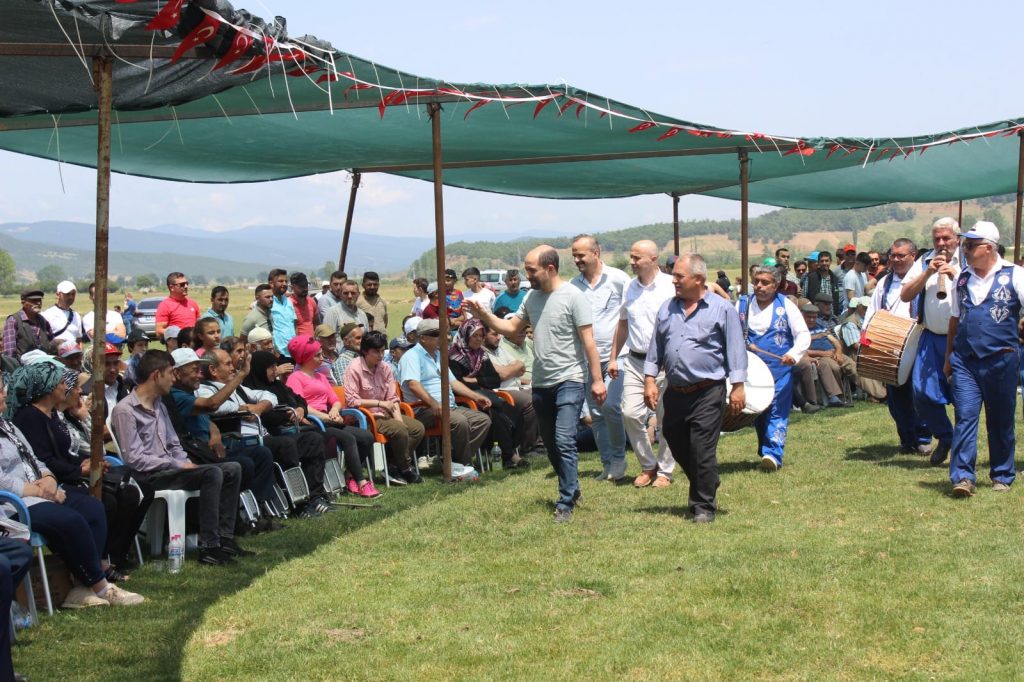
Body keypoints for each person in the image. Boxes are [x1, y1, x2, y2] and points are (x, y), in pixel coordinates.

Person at [465, 245, 606, 523]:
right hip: (542, 383)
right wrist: (482, 314)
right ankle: (573, 487)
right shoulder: (532, 297)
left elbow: (589, 342)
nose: (527, 275)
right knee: (553, 444)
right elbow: (511, 329)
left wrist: (598, 380)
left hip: (570, 379)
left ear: (550, 268)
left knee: (565, 440)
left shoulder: (573, 297)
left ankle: (565, 501)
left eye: (531, 270)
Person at [2, 362, 144, 606]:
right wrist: (40, 489)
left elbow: (35, 458)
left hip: (42, 489)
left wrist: (48, 478)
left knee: (92, 507)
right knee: (71, 519)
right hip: (13, 503)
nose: (5, 393)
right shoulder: (25, 417)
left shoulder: (8, 426)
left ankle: (80, 586)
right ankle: (100, 586)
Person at [111, 350, 248, 566]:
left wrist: (184, 461)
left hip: (170, 469)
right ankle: (210, 547)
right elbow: (135, 459)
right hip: (150, 475)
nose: (173, 378)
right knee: (211, 472)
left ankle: (224, 538)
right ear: (156, 375)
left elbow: (174, 443)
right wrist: (178, 463)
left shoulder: (160, 406)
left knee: (232, 468)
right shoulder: (125, 410)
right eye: (170, 373)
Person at [644, 252, 746, 523]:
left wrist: (738, 386)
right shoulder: (667, 307)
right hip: (675, 390)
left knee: (702, 448)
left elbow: (736, 349)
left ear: (699, 279)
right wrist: (649, 379)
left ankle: (703, 506)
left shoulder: (722, 309)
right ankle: (708, 479)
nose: (674, 281)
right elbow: (656, 347)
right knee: (676, 442)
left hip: (708, 390)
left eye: (679, 276)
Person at [37, 369, 151, 578]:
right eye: (77, 389)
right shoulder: (57, 418)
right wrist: (83, 465)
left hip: (85, 467)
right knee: (110, 500)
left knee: (138, 491)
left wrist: (84, 418)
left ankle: (116, 556)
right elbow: (92, 447)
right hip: (71, 476)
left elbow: (92, 446)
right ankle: (104, 559)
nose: (81, 394)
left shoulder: (64, 417)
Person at [943, 221, 1024, 497]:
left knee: (1000, 419)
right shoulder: (962, 278)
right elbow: (955, 318)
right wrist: (948, 357)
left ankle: (1002, 474)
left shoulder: (1015, 275)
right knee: (965, 417)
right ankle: (963, 477)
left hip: (1002, 359)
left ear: (988, 248)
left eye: (970, 245)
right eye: (964, 244)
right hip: (965, 360)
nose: (964, 249)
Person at [199, 348, 330, 518]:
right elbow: (217, 407)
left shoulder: (238, 388)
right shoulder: (205, 390)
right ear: (213, 370)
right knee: (285, 445)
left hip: (263, 436)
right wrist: (244, 408)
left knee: (312, 439)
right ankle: (297, 503)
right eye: (228, 364)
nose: (233, 368)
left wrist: (259, 407)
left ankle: (315, 495)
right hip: (242, 440)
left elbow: (269, 395)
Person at [167, 348, 277, 514]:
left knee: (261, 454)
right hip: (195, 455)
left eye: (200, 370)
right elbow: (211, 405)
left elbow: (206, 417)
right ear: (176, 373)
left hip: (211, 449)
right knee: (243, 464)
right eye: (194, 370)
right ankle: (235, 517)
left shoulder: (190, 393)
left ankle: (259, 510)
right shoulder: (176, 396)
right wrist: (241, 375)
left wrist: (215, 434)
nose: (200, 375)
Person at [607, 239, 677, 488]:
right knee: (630, 413)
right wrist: (614, 357)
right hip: (636, 361)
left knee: (666, 417)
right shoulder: (629, 287)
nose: (632, 262)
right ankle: (648, 465)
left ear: (653, 259)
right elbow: (623, 323)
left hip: (666, 363)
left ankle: (665, 471)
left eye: (637, 258)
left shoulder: (671, 286)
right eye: (631, 257)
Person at [285, 335, 380, 497]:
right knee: (348, 438)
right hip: (314, 424)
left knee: (366, 436)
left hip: (330, 420)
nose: (322, 357)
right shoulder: (295, 378)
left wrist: (335, 410)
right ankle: (361, 482)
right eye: (317, 355)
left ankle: (350, 475)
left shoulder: (321, 376)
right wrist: (325, 416)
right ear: (306, 358)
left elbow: (334, 399)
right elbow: (302, 406)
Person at [900, 217, 961, 466]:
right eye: (937, 238)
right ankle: (946, 436)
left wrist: (956, 275)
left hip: (962, 340)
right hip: (930, 337)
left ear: (958, 238)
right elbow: (905, 295)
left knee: (963, 397)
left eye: (946, 238)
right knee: (922, 395)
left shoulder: (968, 260)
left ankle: (963, 452)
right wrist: (927, 272)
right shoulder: (924, 261)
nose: (941, 243)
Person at [570, 234, 630, 482]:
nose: (576, 259)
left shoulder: (618, 279)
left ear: (596, 253)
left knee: (611, 406)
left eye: (580, 254)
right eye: (574, 254)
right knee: (596, 413)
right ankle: (607, 464)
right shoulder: (573, 286)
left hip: (618, 355)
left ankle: (619, 458)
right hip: (587, 359)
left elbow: (629, 315)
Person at [864, 239, 933, 455]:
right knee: (896, 398)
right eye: (893, 255)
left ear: (913, 256)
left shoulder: (924, 278)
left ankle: (923, 437)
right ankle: (906, 438)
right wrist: (866, 336)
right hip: (891, 344)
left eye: (901, 255)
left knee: (918, 393)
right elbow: (872, 312)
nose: (896, 259)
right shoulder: (884, 283)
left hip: (918, 342)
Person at [399, 318, 493, 472]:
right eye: (437, 334)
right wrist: (433, 403)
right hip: (423, 409)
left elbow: (454, 383)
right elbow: (413, 385)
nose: (444, 337)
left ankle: (454, 461)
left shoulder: (439, 356)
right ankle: (461, 466)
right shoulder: (411, 356)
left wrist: (476, 397)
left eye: (444, 333)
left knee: (482, 420)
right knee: (460, 421)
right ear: (423, 338)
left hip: (448, 406)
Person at [739, 266, 809, 471]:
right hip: (751, 372)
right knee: (758, 412)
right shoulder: (742, 305)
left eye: (765, 282)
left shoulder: (786, 306)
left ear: (776, 284)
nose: (759, 286)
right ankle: (765, 449)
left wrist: (794, 354)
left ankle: (773, 453)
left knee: (777, 410)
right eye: (756, 281)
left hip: (779, 370)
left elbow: (803, 335)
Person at [343, 330, 425, 483]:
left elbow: (393, 399)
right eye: (376, 351)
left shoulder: (385, 368)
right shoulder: (354, 368)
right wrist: (379, 404)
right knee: (399, 430)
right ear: (365, 351)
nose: (380, 355)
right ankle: (405, 468)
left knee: (417, 428)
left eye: (382, 351)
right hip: (365, 417)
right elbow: (352, 400)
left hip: (386, 414)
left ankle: (394, 465)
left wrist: (399, 418)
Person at [448, 319, 528, 470]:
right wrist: (479, 384)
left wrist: (474, 379)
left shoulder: (481, 355)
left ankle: (508, 453)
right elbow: (457, 383)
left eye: (481, 336)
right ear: (465, 335)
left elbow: (494, 380)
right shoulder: (453, 356)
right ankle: (509, 456)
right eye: (475, 336)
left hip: (487, 395)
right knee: (496, 415)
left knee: (516, 412)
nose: (479, 339)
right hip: (465, 399)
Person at [481, 324, 541, 456]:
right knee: (531, 401)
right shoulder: (482, 353)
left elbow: (521, 366)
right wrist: (511, 370)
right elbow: (501, 375)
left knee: (542, 394)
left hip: (517, 385)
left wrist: (509, 370)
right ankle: (528, 447)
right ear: (484, 336)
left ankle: (541, 443)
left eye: (499, 334)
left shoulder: (499, 350)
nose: (498, 338)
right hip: (500, 390)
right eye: (494, 334)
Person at [794, 303, 852, 410]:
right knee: (830, 366)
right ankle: (835, 397)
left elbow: (835, 341)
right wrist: (824, 354)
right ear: (802, 316)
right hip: (817, 356)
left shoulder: (820, 326)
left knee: (854, 365)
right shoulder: (798, 330)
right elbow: (801, 349)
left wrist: (838, 352)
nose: (812, 319)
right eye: (808, 317)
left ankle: (877, 393)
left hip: (833, 353)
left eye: (814, 317)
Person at [3, 288, 58, 360]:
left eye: (40, 300)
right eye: (34, 300)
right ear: (23, 302)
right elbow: (10, 353)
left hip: (45, 366)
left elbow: (52, 345)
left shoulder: (43, 321)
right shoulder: (13, 321)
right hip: (24, 368)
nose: (38, 303)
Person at [154, 273, 200, 341]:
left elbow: (199, 325)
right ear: (172, 287)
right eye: (182, 284)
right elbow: (159, 331)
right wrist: (180, 334)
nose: (186, 286)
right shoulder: (165, 306)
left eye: (187, 283)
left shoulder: (193, 303)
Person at [322, 280, 370, 345]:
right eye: (346, 293)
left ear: (358, 294)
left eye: (353, 293)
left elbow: (366, 337)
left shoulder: (362, 314)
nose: (349, 296)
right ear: (340, 294)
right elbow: (327, 340)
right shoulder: (333, 313)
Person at [801, 251, 844, 315]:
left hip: (831, 317)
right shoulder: (811, 278)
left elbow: (836, 300)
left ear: (830, 262)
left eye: (826, 261)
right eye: (822, 261)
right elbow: (804, 297)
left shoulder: (834, 278)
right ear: (818, 262)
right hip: (815, 316)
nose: (824, 263)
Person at [41, 280, 84, 345]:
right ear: (58, 295)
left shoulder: (76, 316)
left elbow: (79, 340)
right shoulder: (47, 314)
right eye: (67, 294)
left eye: (73, 294)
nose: (71, 297)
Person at [268, 269, 298, 359]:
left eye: (286, 281)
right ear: (271, 283)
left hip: (293, 352)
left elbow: (294, 324)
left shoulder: (288, 301)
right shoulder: (268, 302)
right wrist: (273, 350)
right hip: (278, 354)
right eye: (280, 281)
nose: (284, 284)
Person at [289, 272, 319, 337]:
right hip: (298, 344)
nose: (304, 289)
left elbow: (316, 323)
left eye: (305, 285)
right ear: (292, 287)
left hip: (312, 343)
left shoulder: (311, 301)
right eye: (301, 286)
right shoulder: (288, 304)